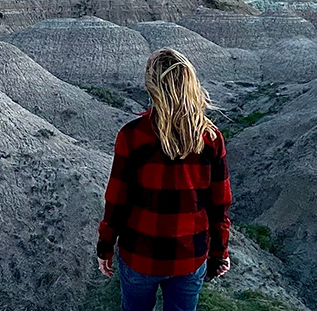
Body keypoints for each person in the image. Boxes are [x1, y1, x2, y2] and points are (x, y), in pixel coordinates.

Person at [96, 48, 232, 311]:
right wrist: (220, 252)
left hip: (139, 255)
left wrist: (105, 247)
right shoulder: (210, 138)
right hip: (189, 257)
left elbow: (116, 201)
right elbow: (219, 205)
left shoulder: (132, 136)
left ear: (151, 86)